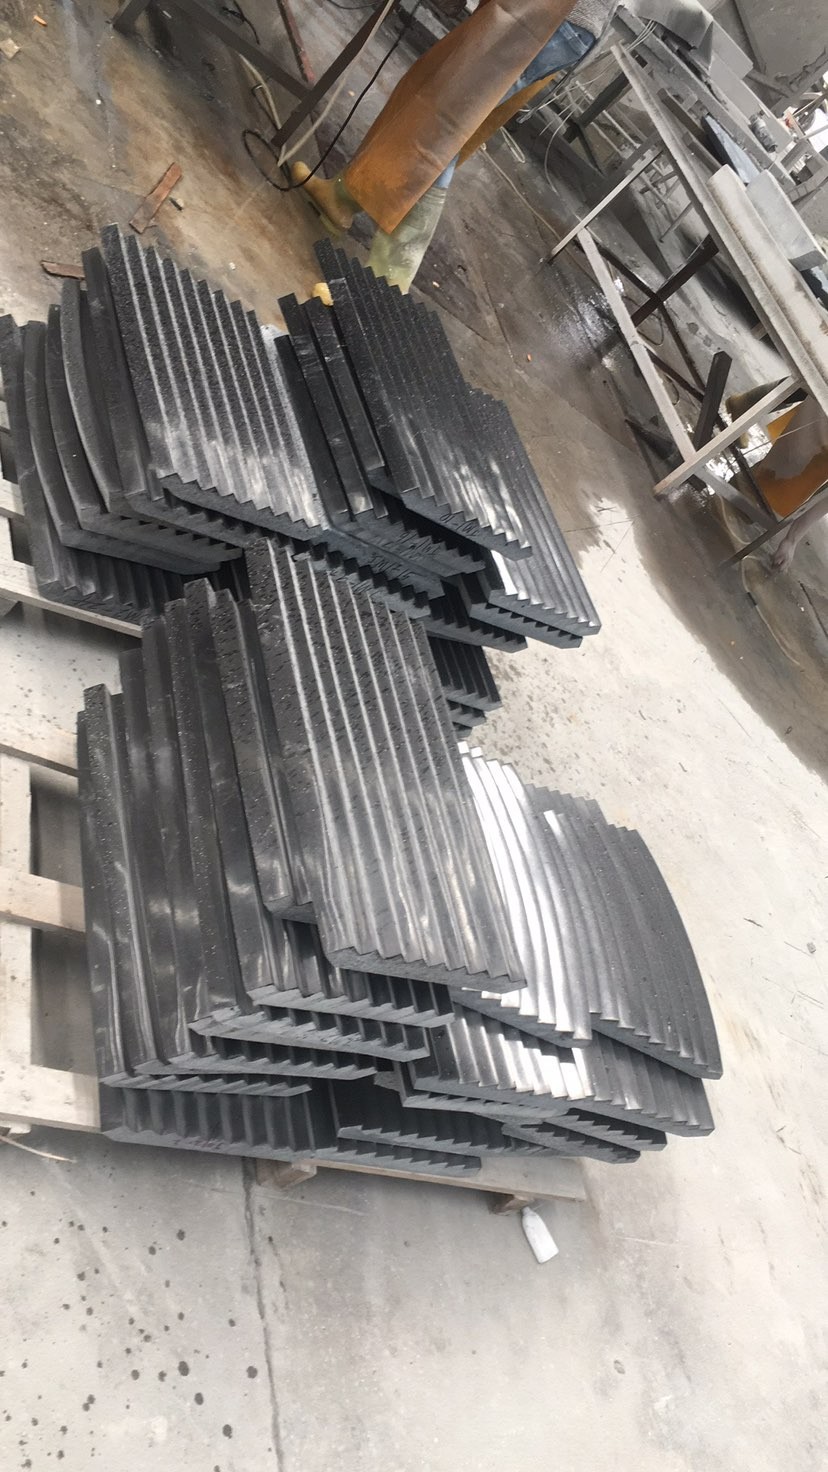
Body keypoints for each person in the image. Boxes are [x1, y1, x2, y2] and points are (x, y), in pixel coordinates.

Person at [292, 0, 619, 291]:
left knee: (443, 127)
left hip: (549, 18)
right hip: (564, 23)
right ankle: (343, 198)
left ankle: (388, 280)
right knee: (434, 99)